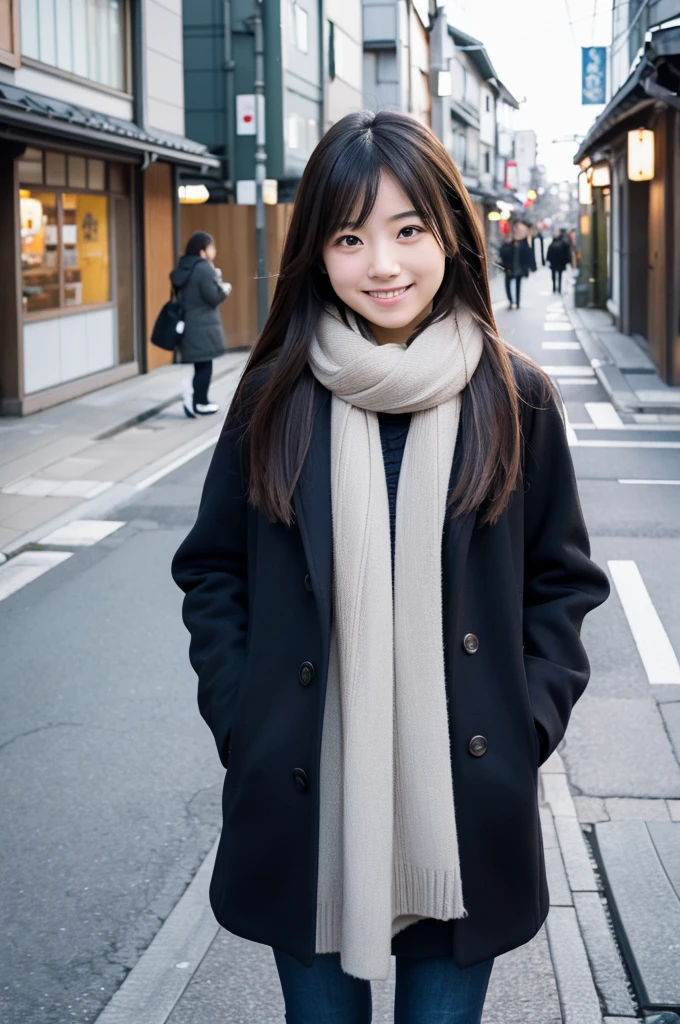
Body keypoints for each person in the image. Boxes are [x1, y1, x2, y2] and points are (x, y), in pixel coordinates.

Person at [171, 110, 609, 1024]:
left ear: (450, 232)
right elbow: (214, 572)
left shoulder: (514, 395)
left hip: (465, 799)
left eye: (409, 230)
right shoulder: (275, 394)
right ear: (317, 253)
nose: (384, 265)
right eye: (349, 235)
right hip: (307, 797)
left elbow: (561, 582)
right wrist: (245, 718)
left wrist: (520, 727)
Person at [170, 231, 232, 418]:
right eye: (211, 247)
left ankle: (194, 397)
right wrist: (224, 287)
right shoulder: (203, 268)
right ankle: (200, 402)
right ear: (202, 251)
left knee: (201, 364)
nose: (214, 250)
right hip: (204, 325)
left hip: (190, 323)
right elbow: (213, 297)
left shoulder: (184, 267)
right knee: (205, 365)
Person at [499, 222, 535, 309]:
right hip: (509, 267)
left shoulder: (525, 242)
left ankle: (517, 302)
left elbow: (529, 255)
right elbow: (503, 253)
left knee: (518, 286)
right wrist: (507, 243)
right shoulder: (509, 242)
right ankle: (511, 301)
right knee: (507, 284)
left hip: (520, 268)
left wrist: (531, 267)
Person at [546, 229, 572, 294]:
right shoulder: (560, 243)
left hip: (557, 262)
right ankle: (557, 288)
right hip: (558, 262)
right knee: (557, 276)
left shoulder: (558, 243)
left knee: (556, 276)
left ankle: (555, 288)